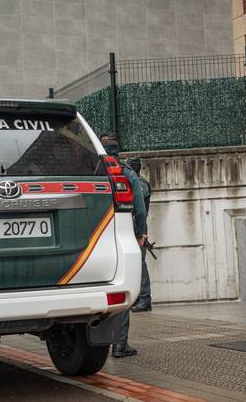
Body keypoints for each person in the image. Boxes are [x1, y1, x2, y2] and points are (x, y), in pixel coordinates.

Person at [99, 133, 148, 358]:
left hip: (96, 240)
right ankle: (119, 345)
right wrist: (141, 234)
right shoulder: (126, 174)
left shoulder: (92, 172)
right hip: (122, 236)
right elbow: (140, 209)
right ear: (118, 151)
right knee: (121, 291)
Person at [126, 157, 153, 312]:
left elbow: (139, 207)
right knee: (134, 263)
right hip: (132, 226)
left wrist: (141, 233)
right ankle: (138, 298)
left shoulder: (141, 184)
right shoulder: (134, 182)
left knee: (140, 263)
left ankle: (145, 299)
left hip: (138, 227)